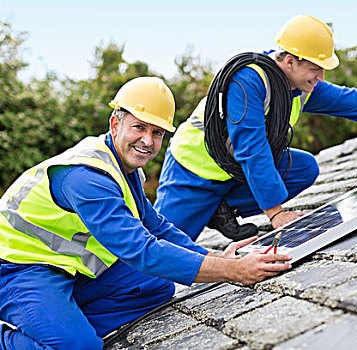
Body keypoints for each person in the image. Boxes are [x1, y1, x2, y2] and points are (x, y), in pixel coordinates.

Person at [0, 77, 291, 350]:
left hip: (65, 270)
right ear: (116, 124)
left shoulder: (125, 170)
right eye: (139, 127)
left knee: (157, 286)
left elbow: (158, 228)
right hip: (19, 270)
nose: (148, 141)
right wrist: (234, 272)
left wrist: (215, 259)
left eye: (157, 132)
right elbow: (141, 249)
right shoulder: (87, 178)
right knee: (81, 347)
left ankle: (61, 322)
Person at [154, 14, 357, 242]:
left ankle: (222, 206)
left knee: (303, 168)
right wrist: (276, 213)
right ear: (289, 60)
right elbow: (251, 147)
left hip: (231, 174)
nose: (320, 77)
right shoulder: (249, 80)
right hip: (192, 174)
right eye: (315, 69)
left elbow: (355, 101)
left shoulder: (302, 86)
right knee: (159, 254)